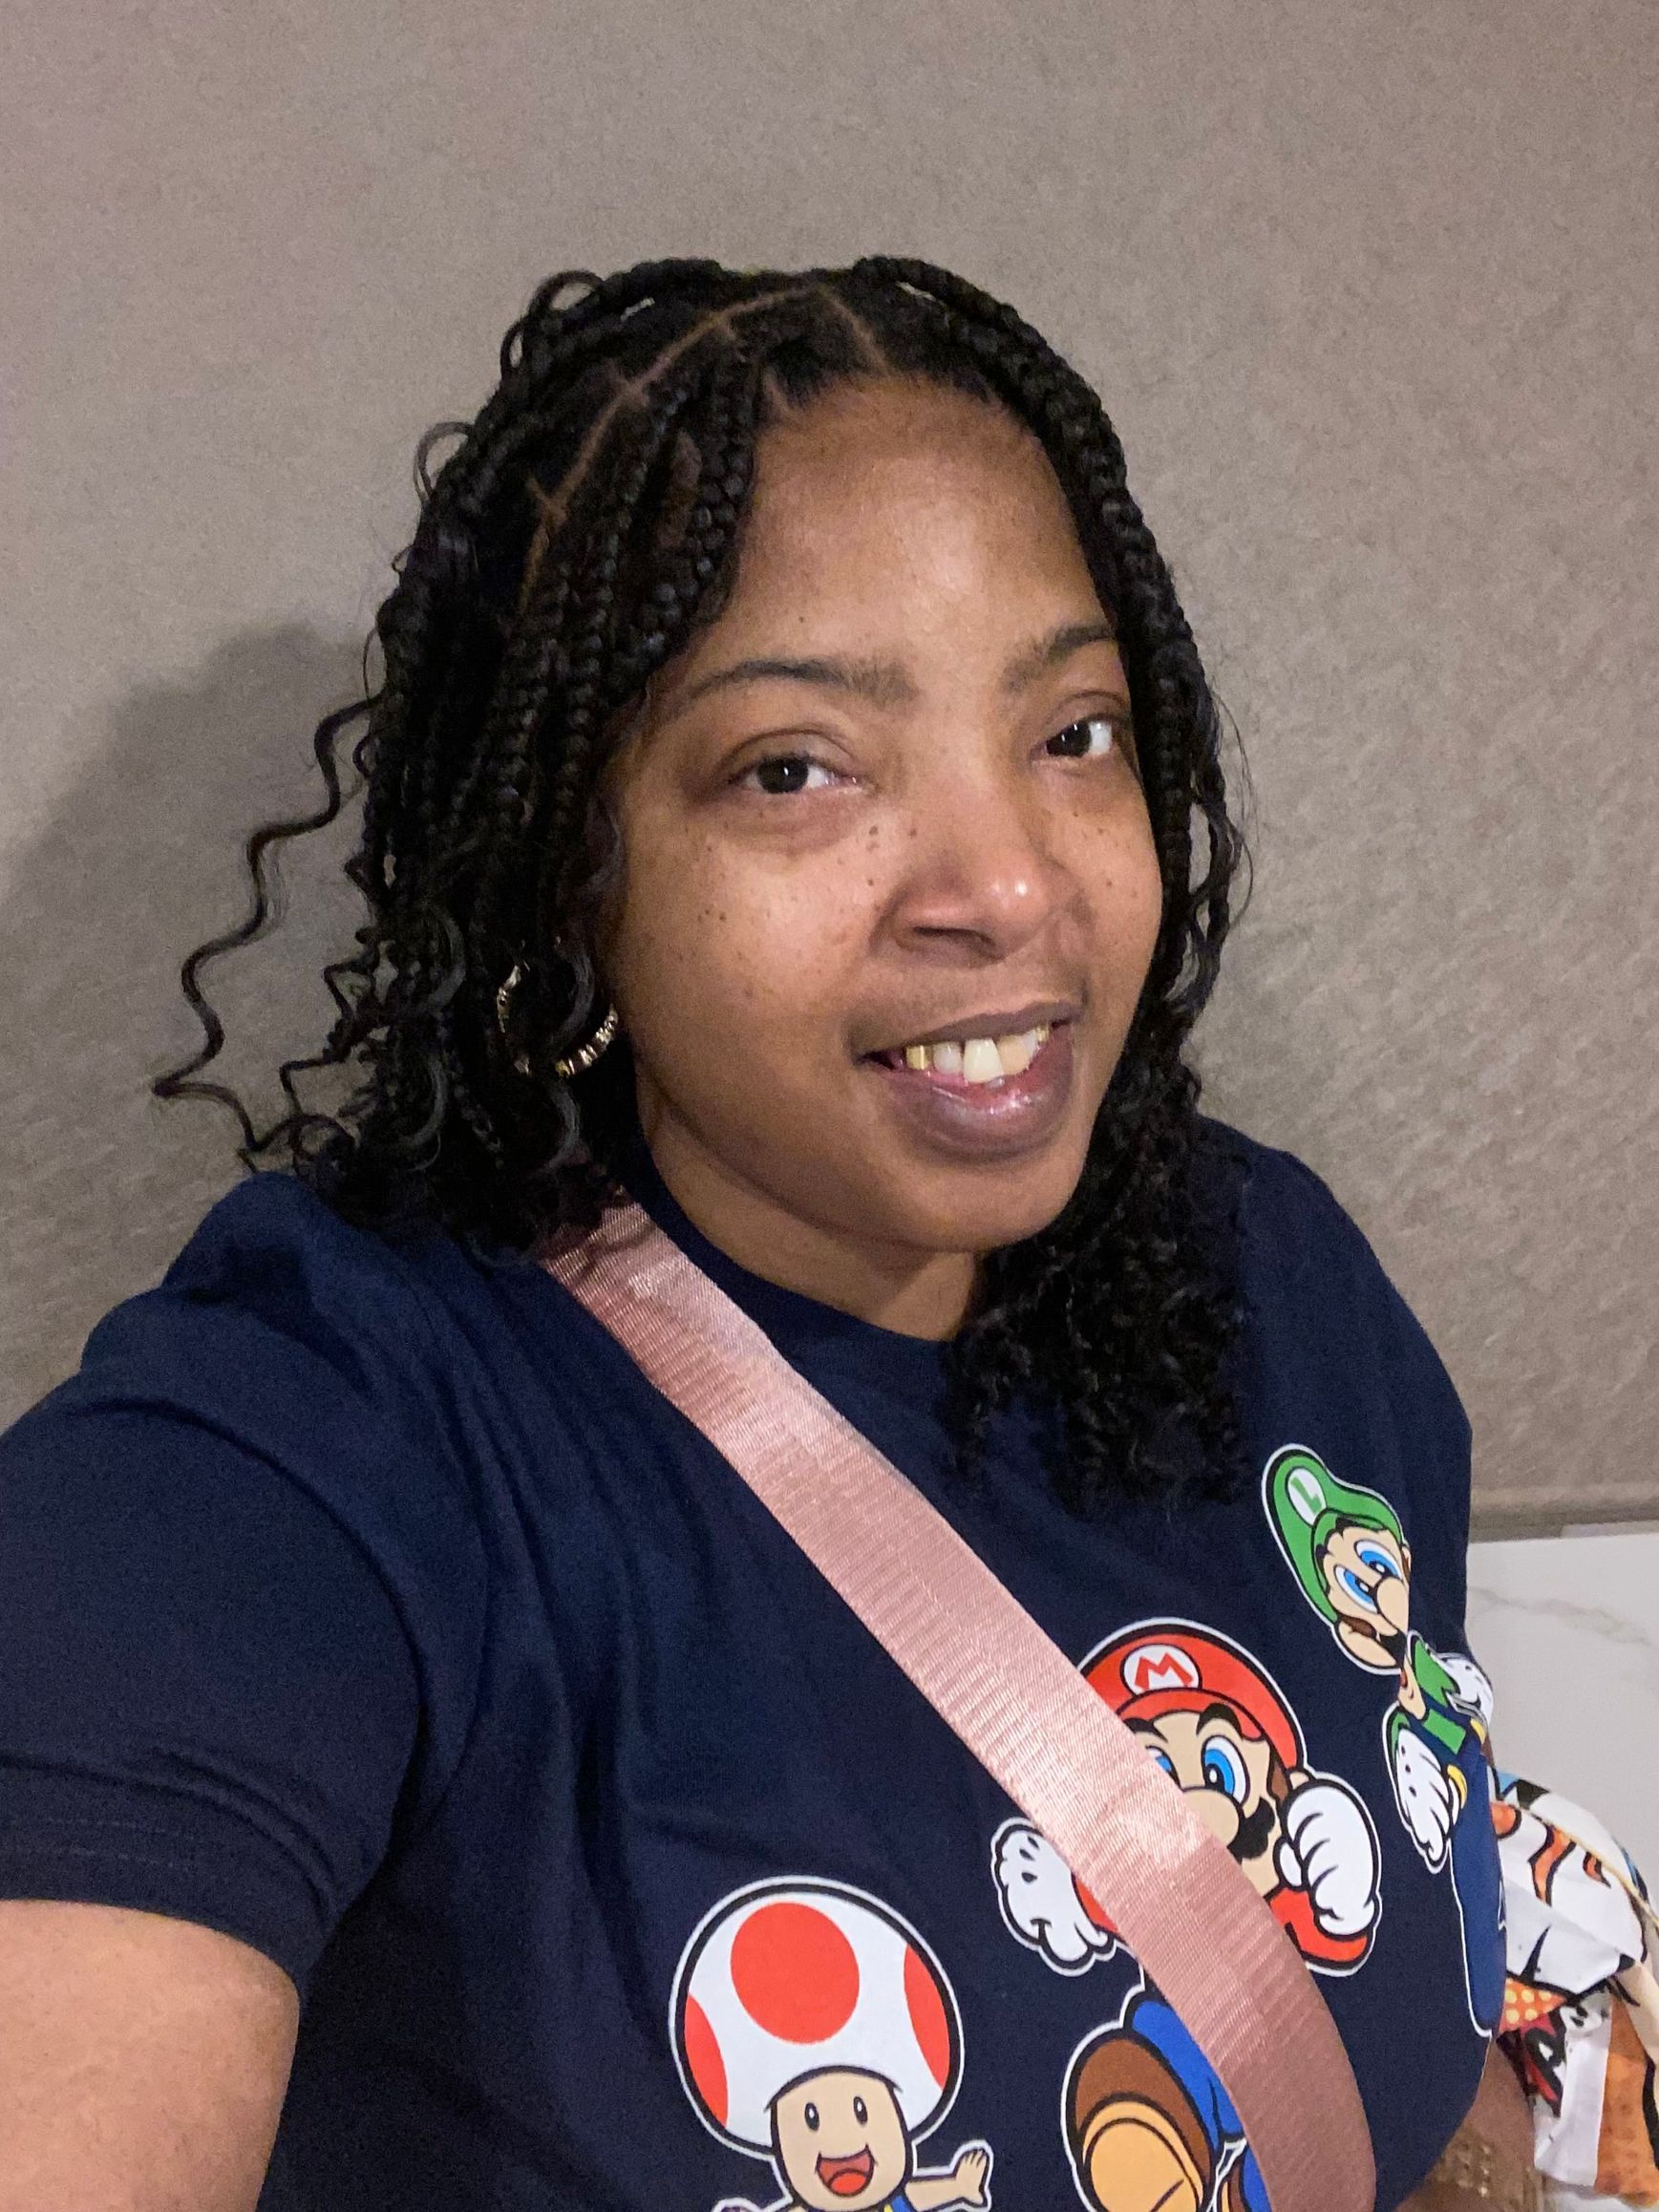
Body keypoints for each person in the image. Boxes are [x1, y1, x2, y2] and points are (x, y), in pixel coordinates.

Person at [0, 258, 1530, 2210]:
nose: (1001, 884)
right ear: (573, 870)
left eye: (1069, 731)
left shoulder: (1272, 1279)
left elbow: (1414, 2017)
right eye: (794, 767)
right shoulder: (319, 1454)